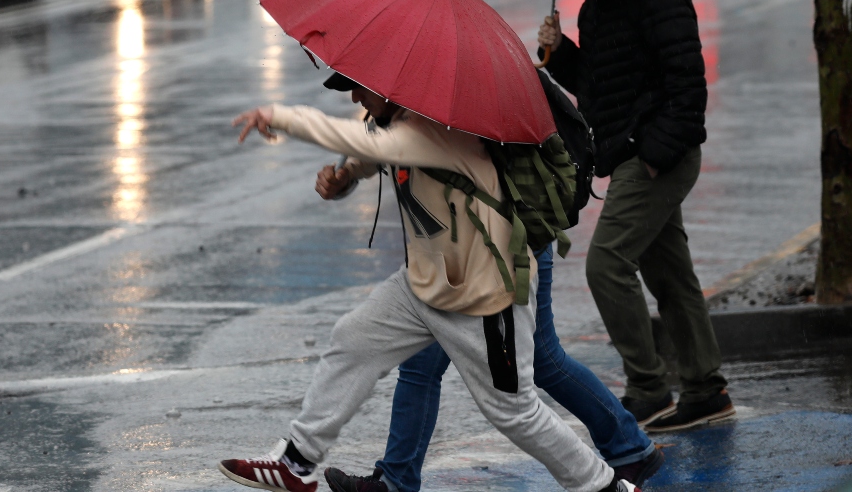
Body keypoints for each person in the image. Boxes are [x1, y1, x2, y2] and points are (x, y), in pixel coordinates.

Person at [220, 73, 641, 492]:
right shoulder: (404, 119)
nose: (354, 97)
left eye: (359, 87)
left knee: (515, 411)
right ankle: (297, 461)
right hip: (425, 283)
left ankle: (603, 486)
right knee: (352, 338)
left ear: (389, 86)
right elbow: (376, 147)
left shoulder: (435, 128)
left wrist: (279, 116)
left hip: (484, 293)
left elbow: (372, 143)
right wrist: (347, 177)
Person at [537, 0, 731, 433]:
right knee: (670, 274)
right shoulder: (597, 6)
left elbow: (689, 91)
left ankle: (648, 389)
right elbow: (599, 88)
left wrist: (653, 157)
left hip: (654, 158)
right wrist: (560, 55)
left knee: (606, 264)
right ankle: (705, 390)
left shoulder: (663, 0)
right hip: (631, 153)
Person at [322, 247, 662, 492]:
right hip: (459, 249)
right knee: (421, 365)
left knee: (540, 367)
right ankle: (396, 479)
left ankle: (624, 451)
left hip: (501, 248)